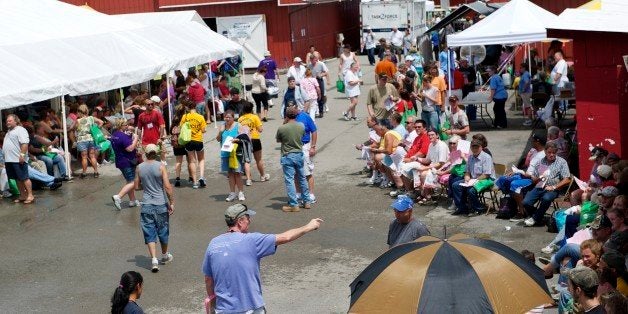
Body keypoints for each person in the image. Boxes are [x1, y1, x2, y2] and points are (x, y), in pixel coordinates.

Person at [202, 204, 323, 313]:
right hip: (250, 308)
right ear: (240, 221)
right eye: (248, 217)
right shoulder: (251, 240)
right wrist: (308, 226)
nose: (250, 220)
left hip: (224, 310)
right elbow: (285, 237)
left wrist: (213, 303)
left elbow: (208, 279)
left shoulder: (213, 243)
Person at [134, 144, 174, 273]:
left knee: (149, 232)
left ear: (145, 153)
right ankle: (165, 255)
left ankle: (154, 259)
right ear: (156, 153)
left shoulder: (139, 167)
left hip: (146, 204)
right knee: (163, 230)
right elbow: (167, 186)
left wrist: (146, 187)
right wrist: (171, 202)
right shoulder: (161, 166)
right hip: (160, 203)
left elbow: (136, 187)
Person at [523, 142, 572, 227]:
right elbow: (533, 178)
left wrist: (554, 187)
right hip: (540, 185)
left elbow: (567, 179)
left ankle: (535, 218)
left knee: (546, 198)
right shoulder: (540, 161)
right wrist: (538, 178)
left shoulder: (561, 162)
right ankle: (538, 216)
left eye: (554, 152)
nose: (552, 154)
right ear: (545, 152)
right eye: (549, 152)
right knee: (526, 202)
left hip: (553, 188)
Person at [276, 106, 311, 212]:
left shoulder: (282, 128)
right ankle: (307, 201)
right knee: (302, 178)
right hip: (299, 154)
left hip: (287, 155)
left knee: (289, 180)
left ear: (286, 116)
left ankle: (294, 204)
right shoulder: (301, 126)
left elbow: (278, 140)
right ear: (296, 115)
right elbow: (303, 135)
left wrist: (284, 123)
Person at [452, 139, 495, 216]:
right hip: (473, 179)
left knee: (471, 190)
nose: (474, 149)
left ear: (481, 147)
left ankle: (479, 208)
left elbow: (486, 174)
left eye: (477, 147)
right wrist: (467, 178)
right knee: (455, 185)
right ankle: (462, 208)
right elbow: (467, 172)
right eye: (473, 147)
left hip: (486, 179)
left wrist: (474, 181)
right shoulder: (470, 157)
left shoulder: (486, 157)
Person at [3, 114, 34, 204]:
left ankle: (30, 195)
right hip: (10, 160)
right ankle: (23, 195)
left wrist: (22, 155)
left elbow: (24, 143)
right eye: (7, 121)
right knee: (17, 178)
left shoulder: (20, 130)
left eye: (10, 121)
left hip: (18, 159)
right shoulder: (9, 131)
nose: (7, 122)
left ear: (16, 121)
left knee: (24, 178)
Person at [110, 119, 139, 210]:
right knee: (133, 182)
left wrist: (129, 137)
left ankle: (132, 200)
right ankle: (118, 197)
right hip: (127, 161)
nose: (127, 126)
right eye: (125, 125)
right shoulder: (123, 136)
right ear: (120, 126)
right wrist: (135, 139)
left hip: (120, 161)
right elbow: (130, 148)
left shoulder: (114, 135)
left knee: (129, 181)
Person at [238, 102, 269, 185]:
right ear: (251, 109)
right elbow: (260, 129)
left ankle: (248, 179)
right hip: (255, 139)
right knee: (258, 159)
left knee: (247, 161)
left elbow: (239, 131)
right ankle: (263, 176)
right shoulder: (255, 117)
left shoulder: (240, 119)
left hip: (245, 140)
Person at [216, 110, 245, 202]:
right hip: (225, 153)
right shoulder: (223, 126)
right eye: (225, 117)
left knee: (237, 173)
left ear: (233, 117)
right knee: (230, 174)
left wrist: (235, 140)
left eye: (229, 117)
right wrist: (220, 132)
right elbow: (218, 139)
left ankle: (241, 192)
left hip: (235, 153)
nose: (227, 119)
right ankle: (232, 193)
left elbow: (243, 138)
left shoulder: (238, 125)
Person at [179, 101, 207, 189]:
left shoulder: (185, 116)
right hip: (198, 140)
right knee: (201, 159)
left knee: (191, 161)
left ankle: (195, 182)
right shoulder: (200, 117)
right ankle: (201, 177)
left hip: (189, 140)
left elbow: (181, 127)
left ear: (188, 108)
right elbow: (203, 130)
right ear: (196, 107)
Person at [294, 104, 318, 203]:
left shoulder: (305, 116)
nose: (290, 109)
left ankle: (311, 194)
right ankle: (298, 193)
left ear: (296, 107)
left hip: (304, 146)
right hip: (294, 147)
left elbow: (314, 131)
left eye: (292, 107)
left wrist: (313, 146)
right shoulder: (289, 117)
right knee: (295, 172)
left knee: (308, 172)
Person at [75, 105, 104, 179]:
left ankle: (84, 173)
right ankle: (96, 172)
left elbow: (75, 129)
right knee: (92, 156)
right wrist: (96, 129)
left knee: (84, 157)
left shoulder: (78, 121)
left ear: (80, 112)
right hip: (90, 138)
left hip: (82, 140)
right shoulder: (91, 118)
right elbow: (101, 122)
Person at [137, 96, 167, 163]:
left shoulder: (157, 113)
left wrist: (160, 137)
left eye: (152, 104)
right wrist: (139, 139)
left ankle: (162, 169)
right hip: (146, 141)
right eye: (148, 104)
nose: (150, 105)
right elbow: (139, 129)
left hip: (157, 139)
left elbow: (162, 126)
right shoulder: (141, 116)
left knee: (161, 158)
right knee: (148, 159)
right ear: (145, 105)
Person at [170, 104, 192, 187]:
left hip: (177, 142)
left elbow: (170, 131)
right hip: (186, 141)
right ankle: (191, 177)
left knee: (178, 161)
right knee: (189, 160)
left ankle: (177, 178)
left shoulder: (174, 119)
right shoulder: (187, 118)